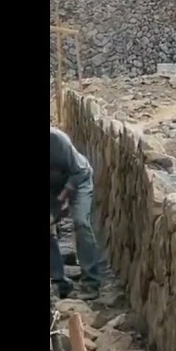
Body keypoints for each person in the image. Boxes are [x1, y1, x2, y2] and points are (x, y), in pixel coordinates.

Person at [50, 125, 108, 299]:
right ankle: (59, 280)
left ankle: (91, 281)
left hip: (79, 180)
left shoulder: (58, 140)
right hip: (53, 189)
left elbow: (80, 171)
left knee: (81, 223)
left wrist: (63, 199)